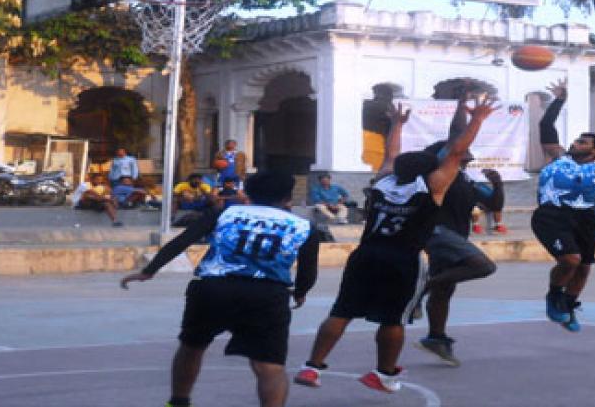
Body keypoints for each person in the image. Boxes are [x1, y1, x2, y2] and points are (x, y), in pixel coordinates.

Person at [295, 98, 497, 394]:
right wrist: (478, 119)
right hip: (403, 259)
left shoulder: (383, 181)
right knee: (393, 319)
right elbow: (455, 152)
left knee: (341, 312)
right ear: (430, 170)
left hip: (365, 255)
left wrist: (396, 125)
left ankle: (312, 367)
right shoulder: (432, 186)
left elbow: (391, 153)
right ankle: (384, 373)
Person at [120, 171, 319, 407]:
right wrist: (301, 291)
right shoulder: (304, 226)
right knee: (269, 366)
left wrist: (149, 270)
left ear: (248, 194)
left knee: (192, 347)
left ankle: (178, 401)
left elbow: (182, 241)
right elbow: (308, 269)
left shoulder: (224, 212)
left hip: (214, 288)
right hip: (267, 294)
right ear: (288, 198)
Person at [531, 80, 595, 332]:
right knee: (571, 260)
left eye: (583, 142)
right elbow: (545, 125)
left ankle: (568, 304)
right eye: (577, 140)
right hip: (552, 215)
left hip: (584, 217)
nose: (576, 143)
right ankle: (553, 296)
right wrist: (559, 100)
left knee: (584, 266)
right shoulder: (558, 155)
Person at [412, 94, 502, 367]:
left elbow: (493, 204)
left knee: (446, 288)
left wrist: (498, 185)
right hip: (436, 231)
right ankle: (420, 288)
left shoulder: (466, 179)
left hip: (453, 234)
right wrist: (464, 109)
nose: (464, 149)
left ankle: (436, 337)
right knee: (483, 265)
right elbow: (455, 139)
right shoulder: (441, 172)